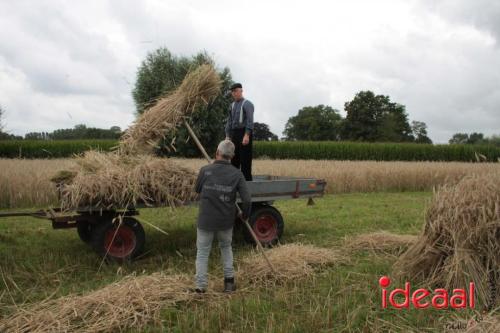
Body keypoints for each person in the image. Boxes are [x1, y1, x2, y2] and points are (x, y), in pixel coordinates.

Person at [193, 140, 251, 293]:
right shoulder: (237, 174)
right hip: (226, 221)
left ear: (217, 153)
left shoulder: (205, 170)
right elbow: (247, 200)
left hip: (206, 220)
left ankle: (200, 287)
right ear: (231, 156)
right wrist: (244, 215)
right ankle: (229, 283)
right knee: (226, 248)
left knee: (203, 252)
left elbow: (197, 190)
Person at [225, 83, 254, 181]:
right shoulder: (232, 105)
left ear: (241, 91)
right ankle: (234, 182)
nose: (234, 94)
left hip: (244, 133)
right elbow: (229, 121)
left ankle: (247, 183)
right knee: (234, 159)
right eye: (233, 92)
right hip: (234, 134)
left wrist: (247, 135)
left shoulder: (247, 104)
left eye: (236, 91)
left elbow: (250, 121)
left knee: (245, 160)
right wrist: (228, 135)